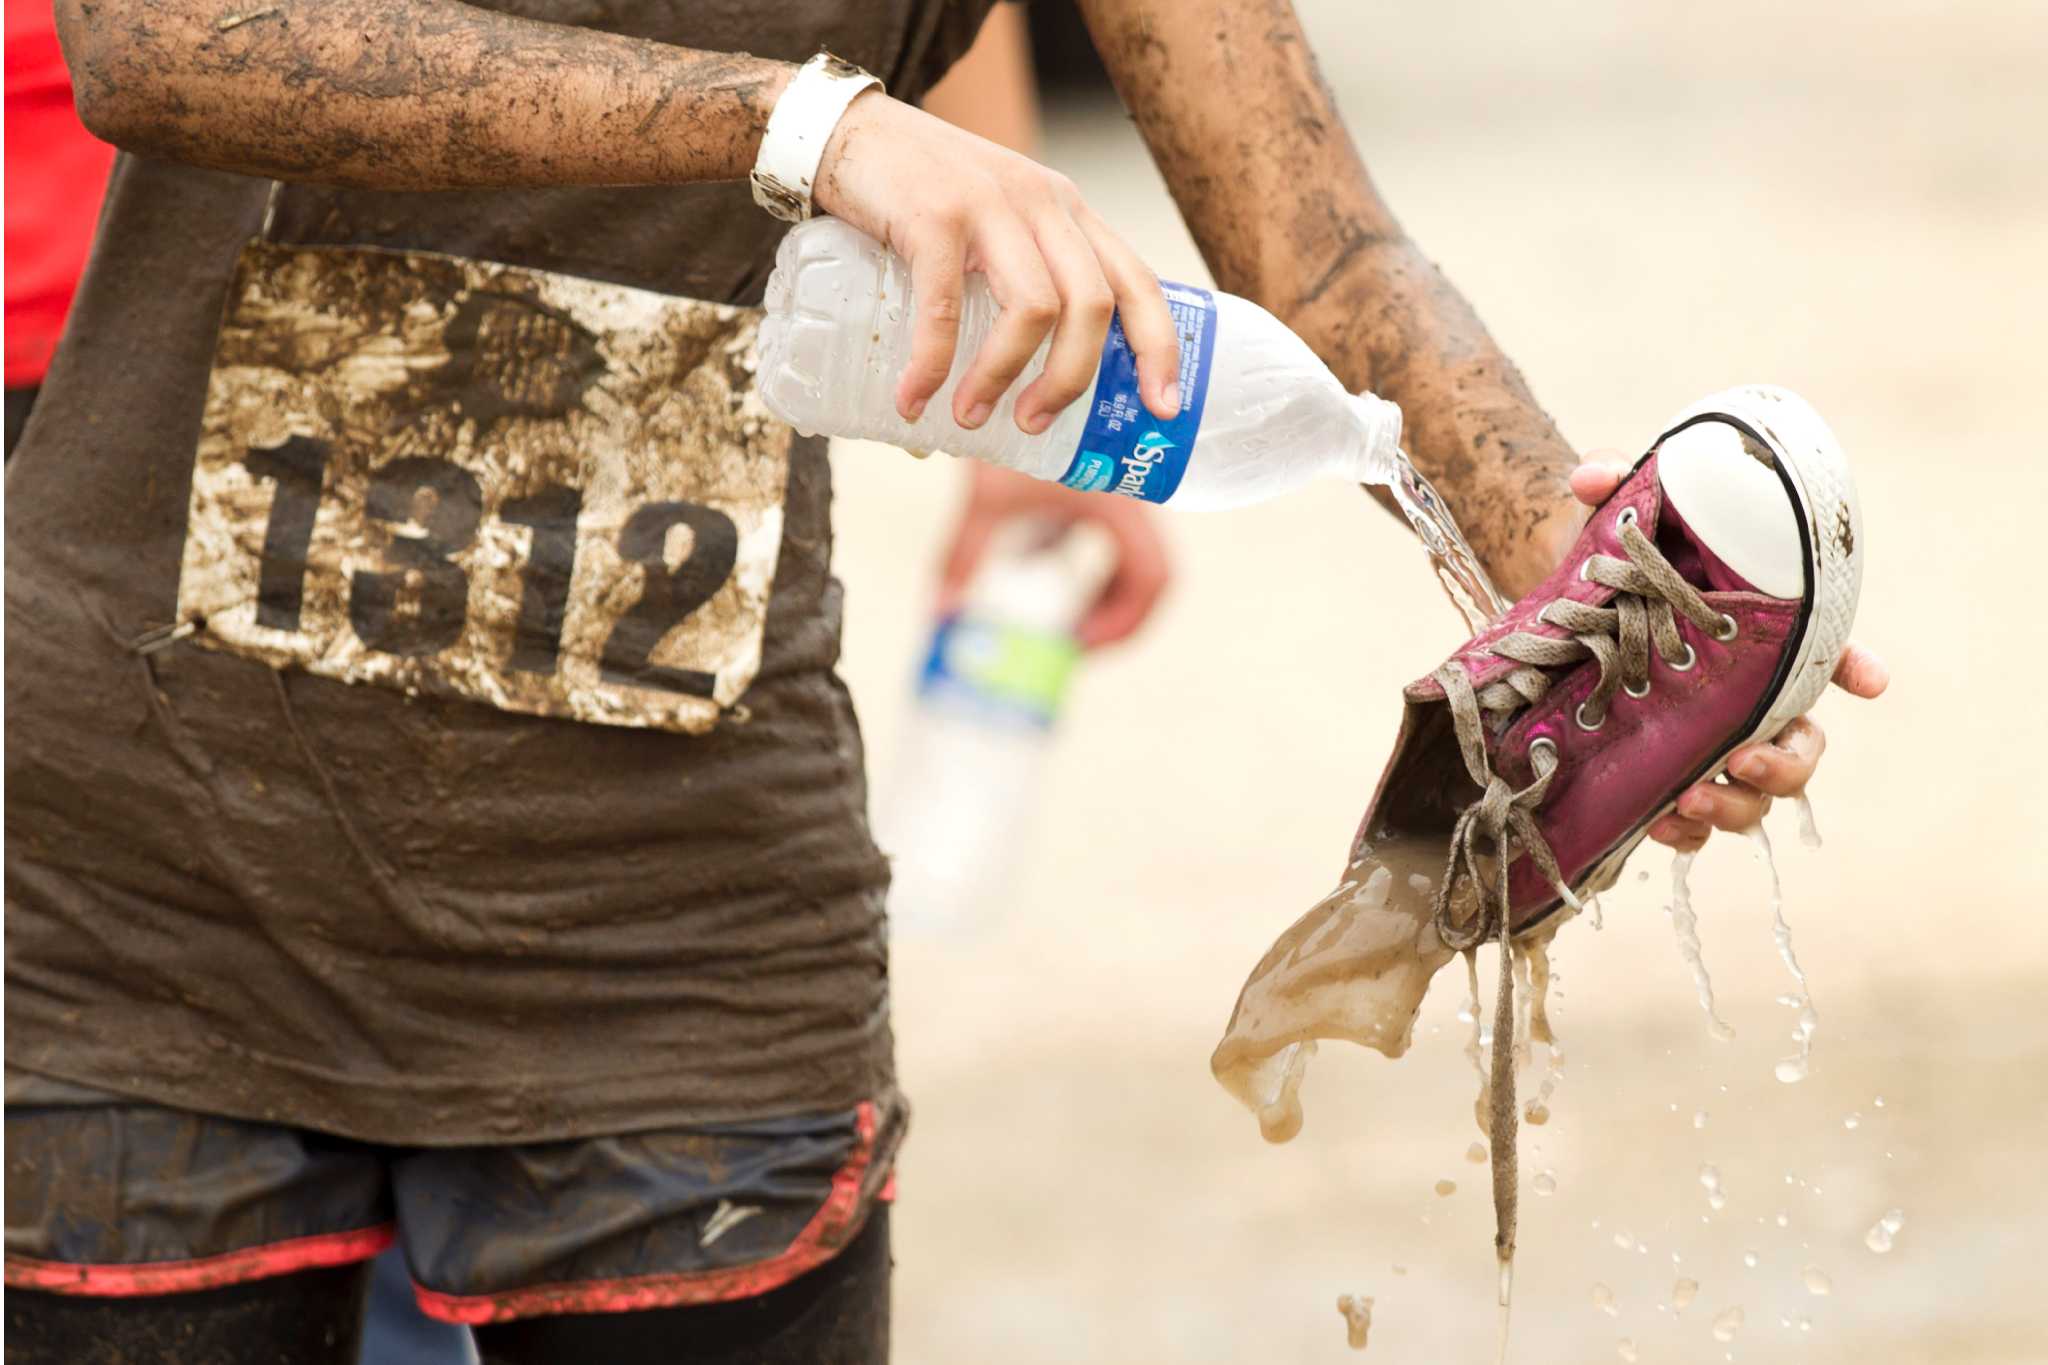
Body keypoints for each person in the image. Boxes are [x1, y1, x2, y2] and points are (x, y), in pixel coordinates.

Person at [4, 4, 1884, 1364]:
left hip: (674, 908)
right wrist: (811, 125)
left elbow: (1320, 240)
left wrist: (1591, 595)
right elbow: (155, 38)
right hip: (147, 864)